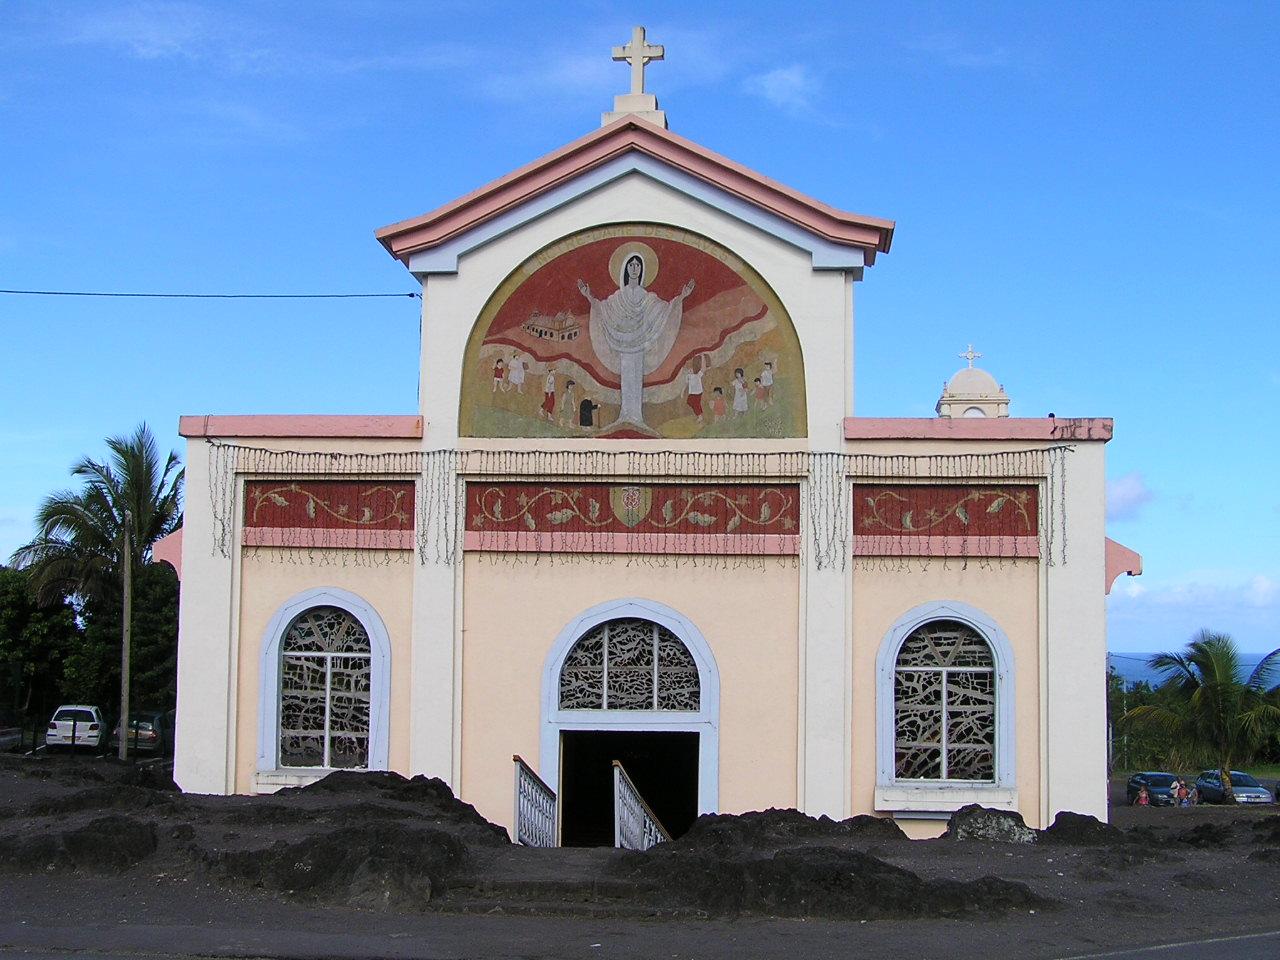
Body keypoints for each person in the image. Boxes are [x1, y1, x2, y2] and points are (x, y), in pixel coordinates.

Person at [578, 252, 695, 429]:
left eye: (637, 265)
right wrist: (588, 296)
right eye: (631, 265)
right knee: (627, 381)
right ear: (625, 269)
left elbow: (664, 310)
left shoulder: (647, 297)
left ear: (642, 269)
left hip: (639, 347)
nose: (634, 268)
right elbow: (604, 309)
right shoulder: (619, 297)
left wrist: (682, 297)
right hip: (624, 346)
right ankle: (625, 415)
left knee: (636, 381)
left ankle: (637, 417)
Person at [685, 354, 709, 423]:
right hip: (692, 393)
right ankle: (700, 414)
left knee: (695, 404)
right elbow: (686, 384)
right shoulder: (688, 376)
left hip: (698, 392)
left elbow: (703, 368)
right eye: (689, 369)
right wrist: (682, 391)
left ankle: (700, 417)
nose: (690, 370)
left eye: (691, 368)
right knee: (690, 402)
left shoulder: (698, 375)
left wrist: (702, 357)